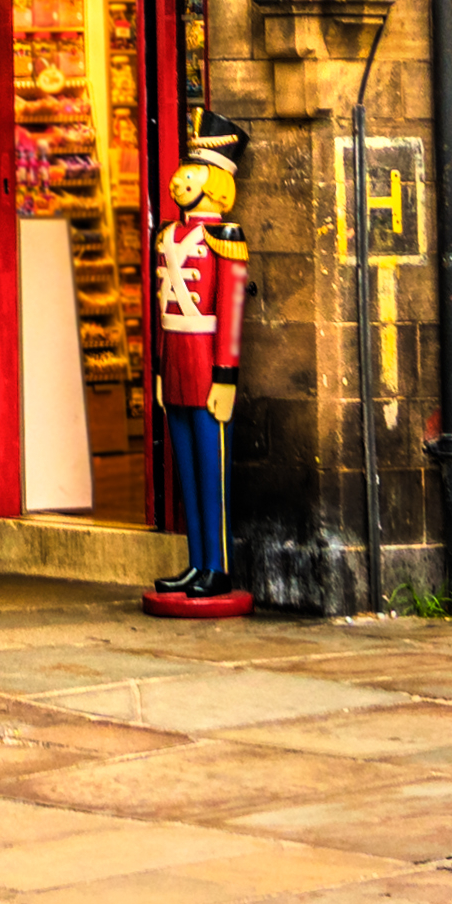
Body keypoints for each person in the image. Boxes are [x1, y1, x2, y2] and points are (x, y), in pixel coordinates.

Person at [147, 135, 248, 611]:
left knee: (214, 469)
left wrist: (226, 376)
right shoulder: (166, 234)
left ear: (217, 182)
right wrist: (161, 371)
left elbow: (230, 309)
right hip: (177, 361)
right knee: (186, 467)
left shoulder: (225, 238)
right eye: (184, 169)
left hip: (208, 362)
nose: (181, 178)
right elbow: (160, 310)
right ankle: (195, 559)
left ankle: (218, 566)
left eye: (194, 170)